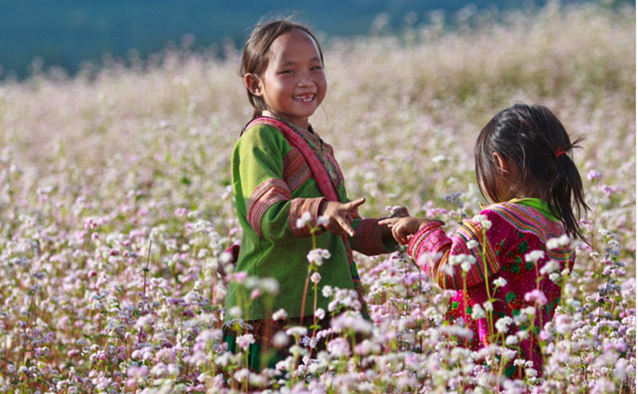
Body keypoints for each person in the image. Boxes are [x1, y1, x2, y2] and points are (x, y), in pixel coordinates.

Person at [223, 18, 399, 372]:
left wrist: (391, 231)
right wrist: (323, 211)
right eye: (288, 71)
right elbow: (268, 215)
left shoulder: (315, 143)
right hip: (275, 314)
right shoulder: (260, 138)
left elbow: (343, 226)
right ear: (255, 84)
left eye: (315, 67)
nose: (306, 80)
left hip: (325, 309)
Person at [380, 103, 589, 378]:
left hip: (485, 367)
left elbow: (451, 270)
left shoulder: (497, 221)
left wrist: (422, 230)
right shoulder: (557, 230)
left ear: (501, 163)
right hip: (530, 370)